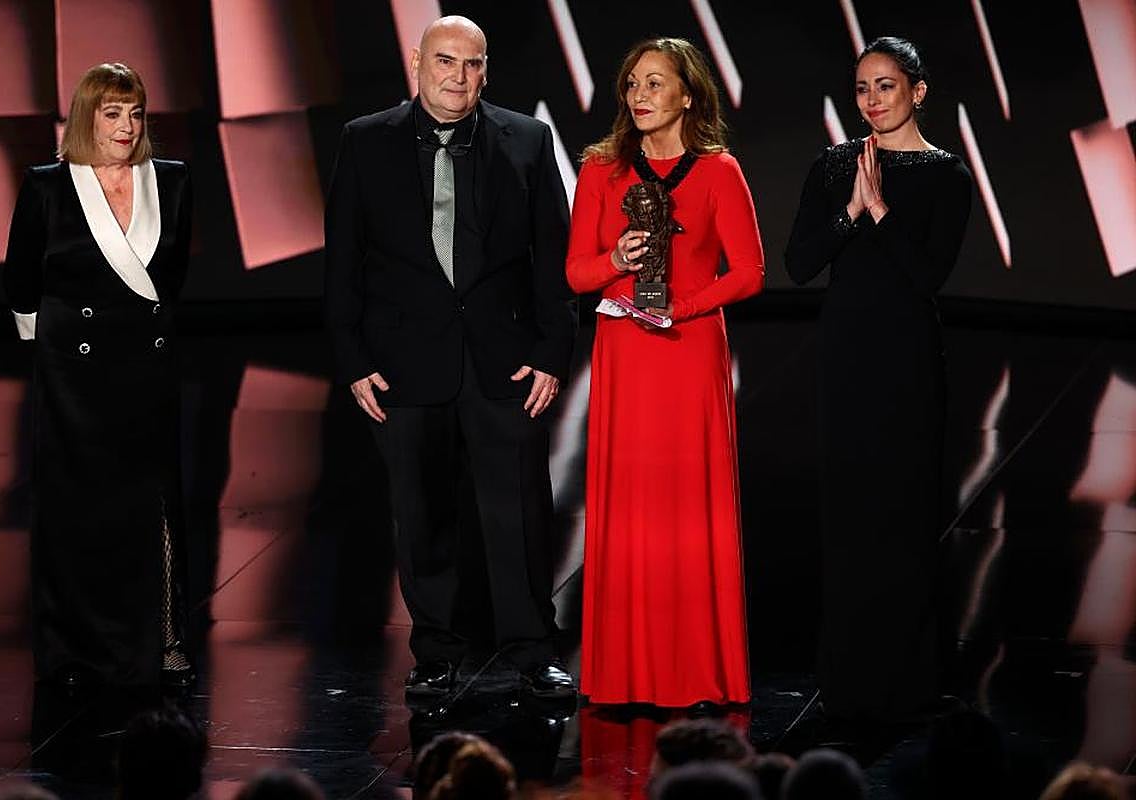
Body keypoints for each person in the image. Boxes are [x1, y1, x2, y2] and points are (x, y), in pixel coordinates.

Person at [324, 16, 576, 699]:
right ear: (416, 62)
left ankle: (532, 649)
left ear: (485, 70)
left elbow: (552, 260)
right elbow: (344, 262)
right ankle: (436, 649)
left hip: (506, 363)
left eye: (470, 64)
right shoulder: (365, 141)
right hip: (403, 363)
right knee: (422, 513)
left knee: (519, 512)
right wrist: (352, 359)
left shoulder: (526, 138)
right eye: (444, 61)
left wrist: (553, 352)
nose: (456, 76)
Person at [566, 37, 764, 708]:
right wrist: (617, 259)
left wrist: (683, 306)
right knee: (629, 508)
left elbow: (749, 272)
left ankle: (697, 673)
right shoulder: (601, 169)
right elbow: (575, 272)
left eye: (655, 82)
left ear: (688, 94)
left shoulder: (719, 171)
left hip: (687, 352)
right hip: (625, 353)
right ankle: (623, 676)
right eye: (631, 84)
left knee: (688, 505)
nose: (640, 94)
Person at [784, 36, 972, 724]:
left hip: (908, 361)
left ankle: (909, 675)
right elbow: (800, 263)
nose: (872, 100)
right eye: (862, 87)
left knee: (903, 512)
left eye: (885, 86)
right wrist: (851, 211)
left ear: (918, 91)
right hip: (846, 354)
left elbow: (926, 276)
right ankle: (848, 670)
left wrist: (883, 211)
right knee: (848, 513)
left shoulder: (946, 175)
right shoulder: (834, 165)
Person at [3, 63, 193, 689]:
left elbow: (173, 278)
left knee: (155, 504)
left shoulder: (172, 181)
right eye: (112, 113)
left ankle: (162, 639)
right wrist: (51, 350)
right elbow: (20, 281)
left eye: (135, 113)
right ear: (86, 117)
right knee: (76, 509)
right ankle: (76, 652)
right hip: (73, 380)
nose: (126, 126)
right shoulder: (48, 187)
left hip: (146, 367)